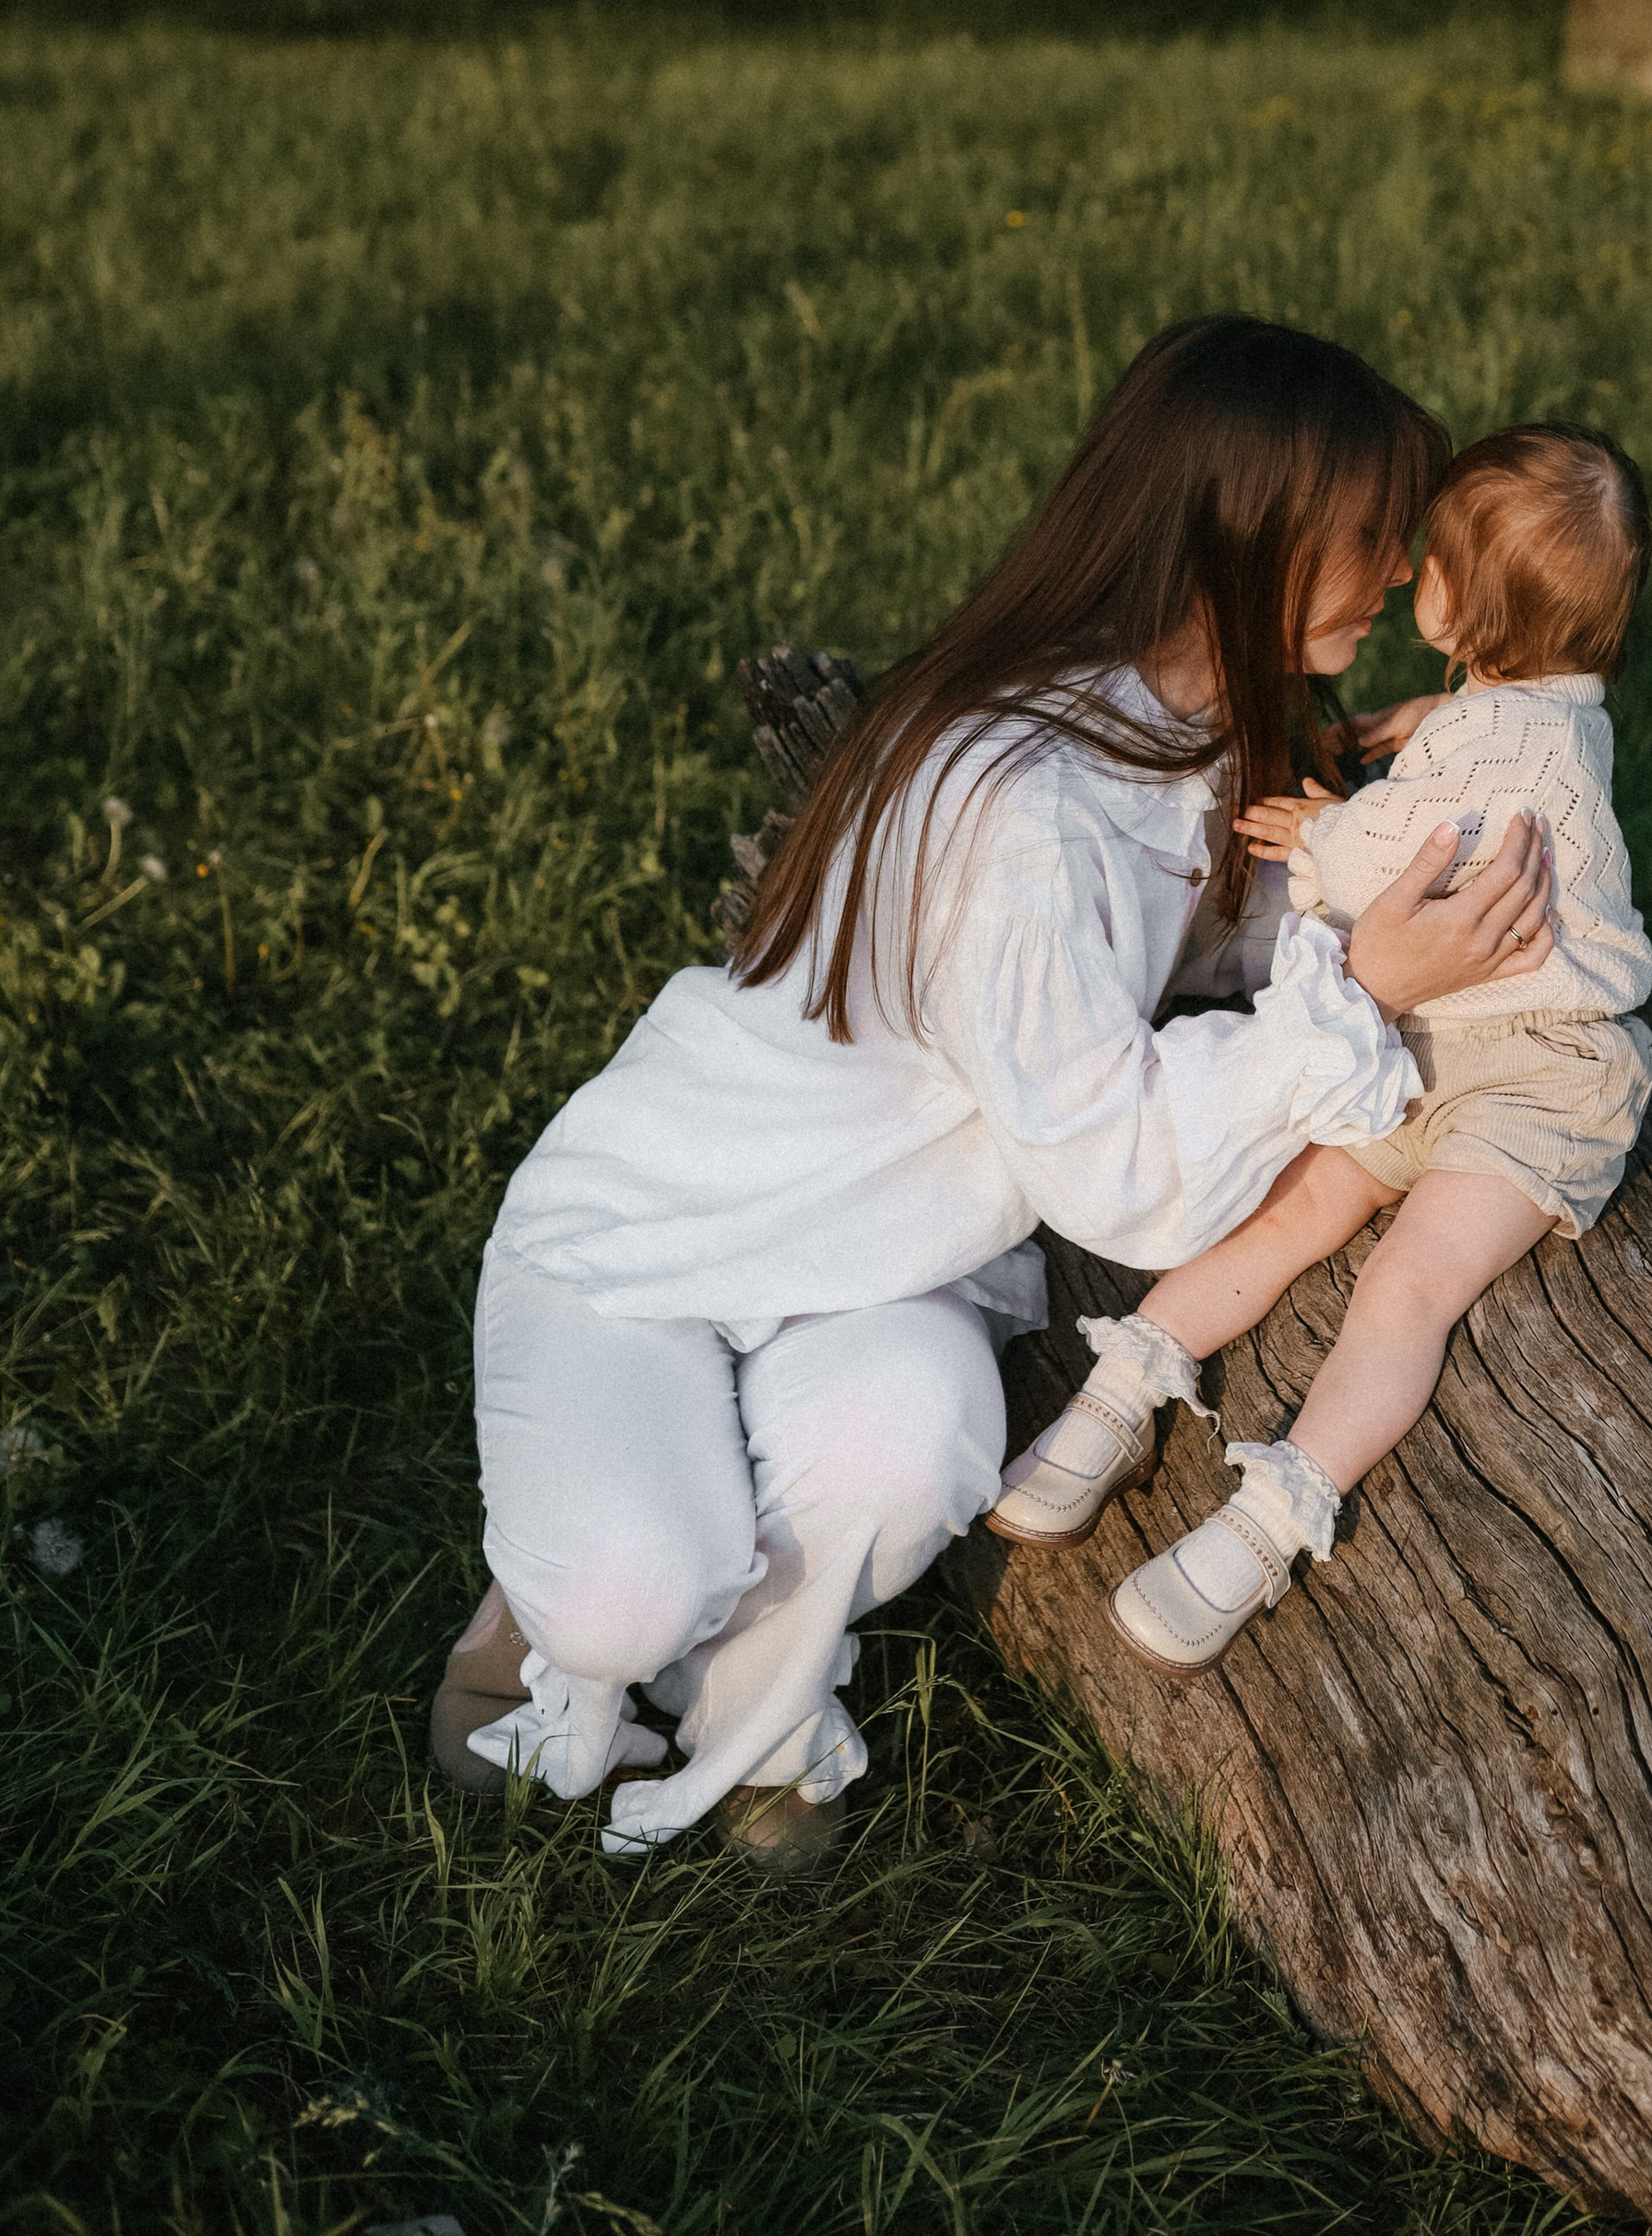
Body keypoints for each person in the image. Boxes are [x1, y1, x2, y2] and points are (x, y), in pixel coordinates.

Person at [430, 315, 1558, 1863]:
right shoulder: (1019, 805)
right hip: (660, 1243)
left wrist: (1420, 809)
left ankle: (742, 1684)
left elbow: (1231, 937)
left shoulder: (1178, 721)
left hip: (885, 1259)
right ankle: (570, 1611)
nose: (1398, 569)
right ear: (1255, 538)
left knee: (921, 1442)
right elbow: (1118, 1168)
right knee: (623, 1591)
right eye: (1376, 536)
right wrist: (1359, 1002)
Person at [988, 422, 1652, 1676]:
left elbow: (1419, 857)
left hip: (1537, 1078)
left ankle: (1269, 1511)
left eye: (1430, 563)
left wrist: (1328, 834)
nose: (1406, 574)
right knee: (1296, 1207)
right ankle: (1126, 1393)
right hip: (1423, 1037)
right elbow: (1508, 740)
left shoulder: (1503, 748)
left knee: (1406, 1281)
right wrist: (1430, 720)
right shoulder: (1542, 707)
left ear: (1468, 609)